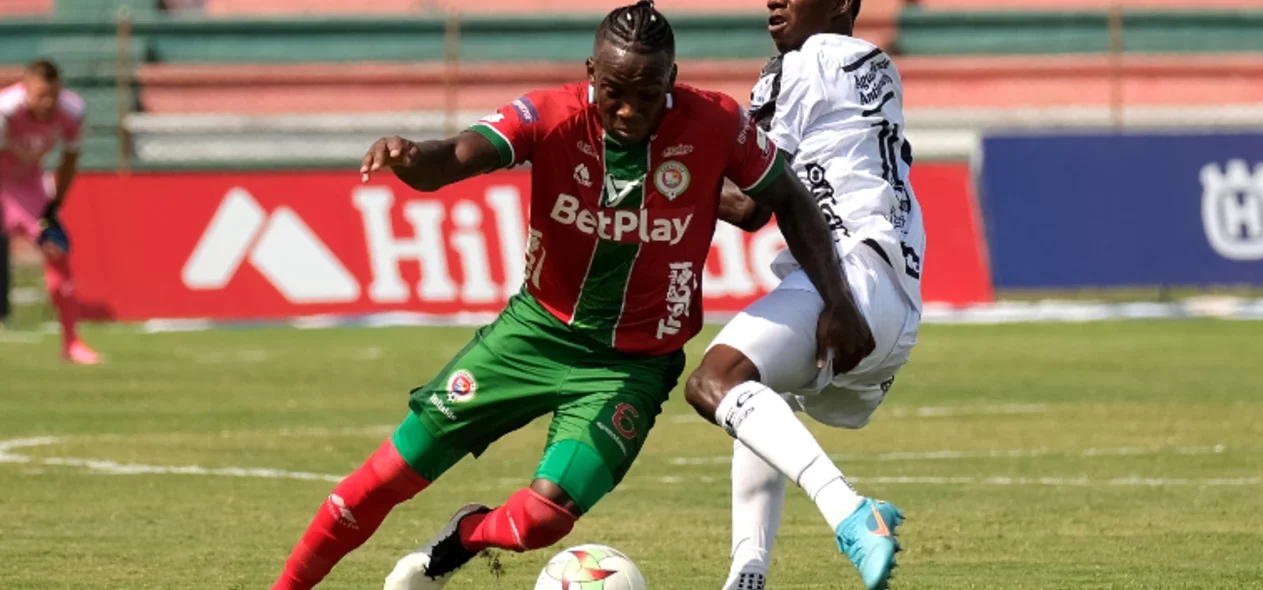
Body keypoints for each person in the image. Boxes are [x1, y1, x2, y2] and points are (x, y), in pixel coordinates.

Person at [271, 3, 871, 589]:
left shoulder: (716, 123)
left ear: (673, 79)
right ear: (591, 73)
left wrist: (837, 300)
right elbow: (455, 155)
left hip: (630, 367)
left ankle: (461, 540)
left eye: (648, 92)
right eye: (615, 91)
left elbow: (788, 198)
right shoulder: (548, 115)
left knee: (543, 518)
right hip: (532, 337)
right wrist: (410, 156)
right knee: (386, 477)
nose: (630, 109)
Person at [683, 0, 927, 588]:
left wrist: (660, 173)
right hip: (899, 295)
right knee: (758, 400)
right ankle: (748, 572)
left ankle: (850, 510)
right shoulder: (874, 63)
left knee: (716, 380)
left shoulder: (798, 64)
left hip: (848, 281)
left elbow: (748, 206)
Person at [0, 59, 98, 364]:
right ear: (25, 88)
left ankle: (71, 343)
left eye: (52, 95)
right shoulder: (5, 111)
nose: (47, 102)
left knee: (57, 249)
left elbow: (69, 160)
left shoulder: (73, 112)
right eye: (40, 95)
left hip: (30, 185)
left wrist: (54, 206)